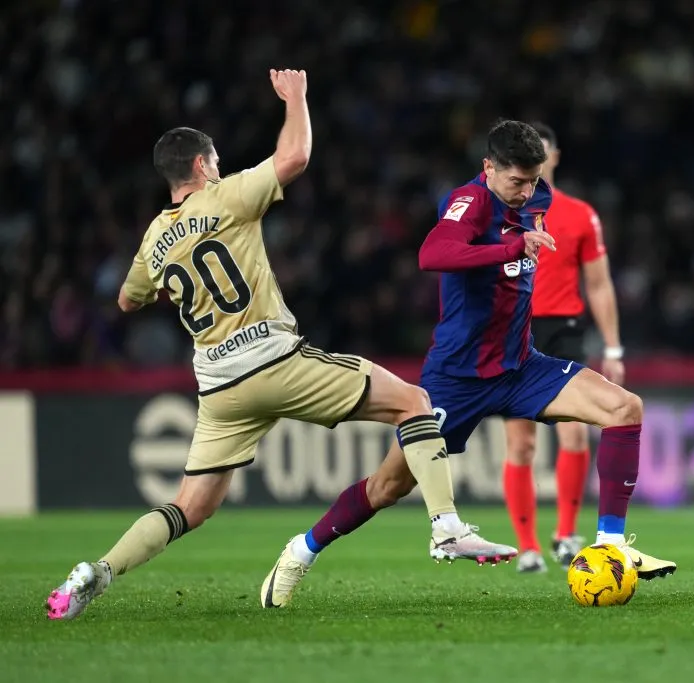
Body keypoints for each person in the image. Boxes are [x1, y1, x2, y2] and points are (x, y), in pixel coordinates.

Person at [46, 69, 512, 621]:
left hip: (219, 388)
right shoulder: (224, 197)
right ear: (201, 166)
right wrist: (297, 98)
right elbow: (293, 157)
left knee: (189, 507)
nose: (218, 165)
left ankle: (96, 572)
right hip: (271, 359)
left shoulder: (153, 238)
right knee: (413, 402)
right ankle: (446, 528)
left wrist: (168, 278)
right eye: (214, 159)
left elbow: (127, 300)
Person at [260, 120, 676, 608]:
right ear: (487, 168)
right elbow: (432, 253)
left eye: (533, 180)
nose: (526, 192)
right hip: (457, 377)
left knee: (624, 408)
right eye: (515, 182)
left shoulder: (538, 197)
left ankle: (610, 546)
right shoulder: (470, 201)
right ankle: (299, 552)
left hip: (521, 366)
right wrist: (512, 248)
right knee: (388, 485)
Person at [502, 123, 625, 573]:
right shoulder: (501, 212)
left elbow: (598, 283)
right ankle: (528, 546)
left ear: (553, 155)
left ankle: (565, 534)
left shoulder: (579, 214)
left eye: (542, 149)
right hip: (515, 329)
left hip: (564, 331)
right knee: (521, 442)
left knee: (573, 432)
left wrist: (613, 347)